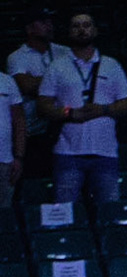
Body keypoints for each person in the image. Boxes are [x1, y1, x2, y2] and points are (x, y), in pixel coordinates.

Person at [36, 11, 127, 205]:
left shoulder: (111, 65)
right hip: (67, 152)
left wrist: (103, 110)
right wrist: (69, 113)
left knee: (109, 212)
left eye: (87, 25)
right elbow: (42, 106)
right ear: (70, 32)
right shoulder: (57, 66)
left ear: (95, 30)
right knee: (66, 211)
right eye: (76, 26)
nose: (82, 30)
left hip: (105, 152)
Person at [8, 7, 66, 181]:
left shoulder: (65, 52)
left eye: (50, 22)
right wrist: (59, 79)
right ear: (30, 29)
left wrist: (40, 81)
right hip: (34, 131)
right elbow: (26, 86)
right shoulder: (17, 57)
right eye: (43, 22)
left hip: (62, 126)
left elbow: (76, 83)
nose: (49, 26)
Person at [0, 62, 20, 207]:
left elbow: (19, 121)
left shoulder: (7, 81)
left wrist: (18, 157)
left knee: (4, 212)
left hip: (4, 160)